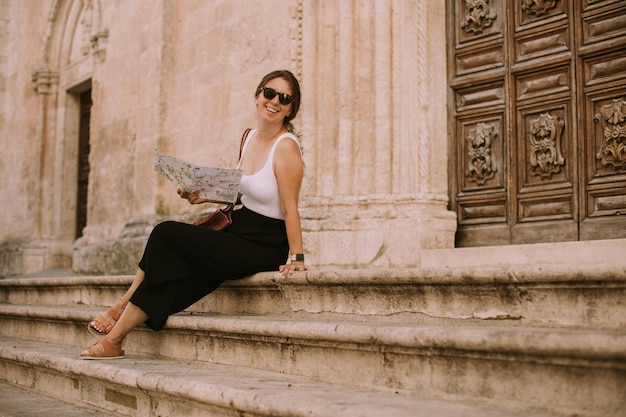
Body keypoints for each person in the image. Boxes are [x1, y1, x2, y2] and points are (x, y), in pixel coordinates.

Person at [81, 70, 309, 359]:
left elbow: (290, 207)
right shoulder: (249, 137)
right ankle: (113, 342)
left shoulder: (286, 147)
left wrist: (297, 259)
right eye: (269, 93)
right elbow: (243, 191)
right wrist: (203, 195)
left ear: (291, 109)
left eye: (285, 98)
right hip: (240, 228)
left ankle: (121, 304)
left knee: (165, 232)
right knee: (175, 273)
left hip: (264, 244)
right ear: (257, 96)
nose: (275, 101)